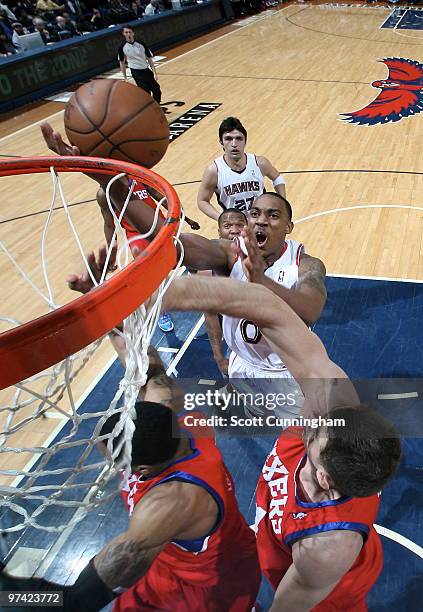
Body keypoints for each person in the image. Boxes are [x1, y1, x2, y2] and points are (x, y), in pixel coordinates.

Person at [1, 285, 261, 612]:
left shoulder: (168, 504)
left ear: (144, 471)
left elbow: (74, 602)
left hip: (209, 585)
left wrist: (11, 596)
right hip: (172, 561)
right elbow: (144, 363)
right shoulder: (175, 419)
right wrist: (106, 305)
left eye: (116, 461)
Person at [40, 124, 326, 394]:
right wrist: (106, 178)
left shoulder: (306, 264)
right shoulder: (229, 252)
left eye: (273, 216)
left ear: (289, 227)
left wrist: (260, 280)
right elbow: (169, 241)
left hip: (290, 374)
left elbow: (309, 309)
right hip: (243, 366)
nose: (261, 221)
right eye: (255, 214)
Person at [96, 179, 200, 334]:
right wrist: (112, 251)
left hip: (160, 227)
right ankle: (161, 313)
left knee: (186, 255)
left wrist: (185, 217)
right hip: (138, 237)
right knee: (151, 279)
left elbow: (162, 197)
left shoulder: (136, 176)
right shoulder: (104, 193)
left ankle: (200, 285)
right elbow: (109, 224)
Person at [197, 116, 287, 221]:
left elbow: (277, 178)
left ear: (245, 141)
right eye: (228, 139)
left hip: (261, 222)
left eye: (239, 138)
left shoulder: (260, 163)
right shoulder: (214, 171)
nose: (234, 144)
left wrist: (282, 203)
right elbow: (202, 201)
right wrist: (221, 218)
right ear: (221, 142)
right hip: (236, 227)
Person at [202, 209, 247, 376]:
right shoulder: (206, 270)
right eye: (227, 226)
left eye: (239, 225)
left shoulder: (262, 258)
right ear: (219, 231)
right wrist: (219, 358)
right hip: (232, 333)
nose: (234, 230)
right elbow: (211, 317)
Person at [118, 24, 161, 104]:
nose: (128, 34)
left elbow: (149, 59)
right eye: (126, 32)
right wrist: (125, 78)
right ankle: (150, 108)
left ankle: (156, 105)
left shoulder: (141, 44)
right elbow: (122, 63)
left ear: (133, 33)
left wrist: (154, 73)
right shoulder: (122, 47)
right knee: (146, 92)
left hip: (146, 70)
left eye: (130, 32)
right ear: (123, 34)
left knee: (157, 90)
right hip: (136, 72)